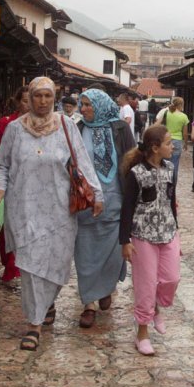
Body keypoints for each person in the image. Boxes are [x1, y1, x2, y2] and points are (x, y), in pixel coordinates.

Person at [0, 77, 104, 351]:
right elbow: (0, 165)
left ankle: (46, 302)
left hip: (60, 211)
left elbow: (82, 162)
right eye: (37, 96)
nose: (42, 102)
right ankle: (34, 324)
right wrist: (0, 189)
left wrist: (97, 194)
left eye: (47, 96)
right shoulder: (15, 130)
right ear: (29, 98)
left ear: (54, 98)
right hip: (24, 210)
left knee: (57, 264)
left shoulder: (66, 126)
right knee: (29, 267)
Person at [74, 89, 136, 328]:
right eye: (83, 105)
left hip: (115, 201)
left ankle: (106, 288)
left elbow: (131, 162)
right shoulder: (78, 129)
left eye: (89, 105)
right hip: (85, 203)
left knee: (111, 253)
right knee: (85, 252)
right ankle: (89, 304)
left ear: (100, 105)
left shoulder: (119, 128)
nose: (84, 109)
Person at [120, 125, 180, 356]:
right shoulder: (137, 173)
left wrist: (177, 231)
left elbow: (171, 200)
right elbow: (127, 208)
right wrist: (124, 240)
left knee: (171, 278)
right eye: (168, 143)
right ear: (155, 148)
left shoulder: (170, 168)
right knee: (145, 285)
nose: (172, 146)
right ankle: (142, 333)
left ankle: (156, 308)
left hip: (168, 232)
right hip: (142, 236)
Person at [0, 85, 29, 283]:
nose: (29, 104)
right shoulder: (6, 123)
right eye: (25, 100)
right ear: (18, 102)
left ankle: (18, 267)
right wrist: (4, 158)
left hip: (32, 186)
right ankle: (9, 264)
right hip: (8, 182)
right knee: (6, 226)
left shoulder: (45, 126)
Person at [156, 97, 189, 186]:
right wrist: (185, 143)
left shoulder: (167, 113)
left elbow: (156, 125)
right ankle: (172, 190)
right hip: (178, 141)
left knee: (163, 164)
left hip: (166, 141)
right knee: (174, 166)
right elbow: (185, 133)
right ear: (181, 105)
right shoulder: (184, 116)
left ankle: (163, 185)